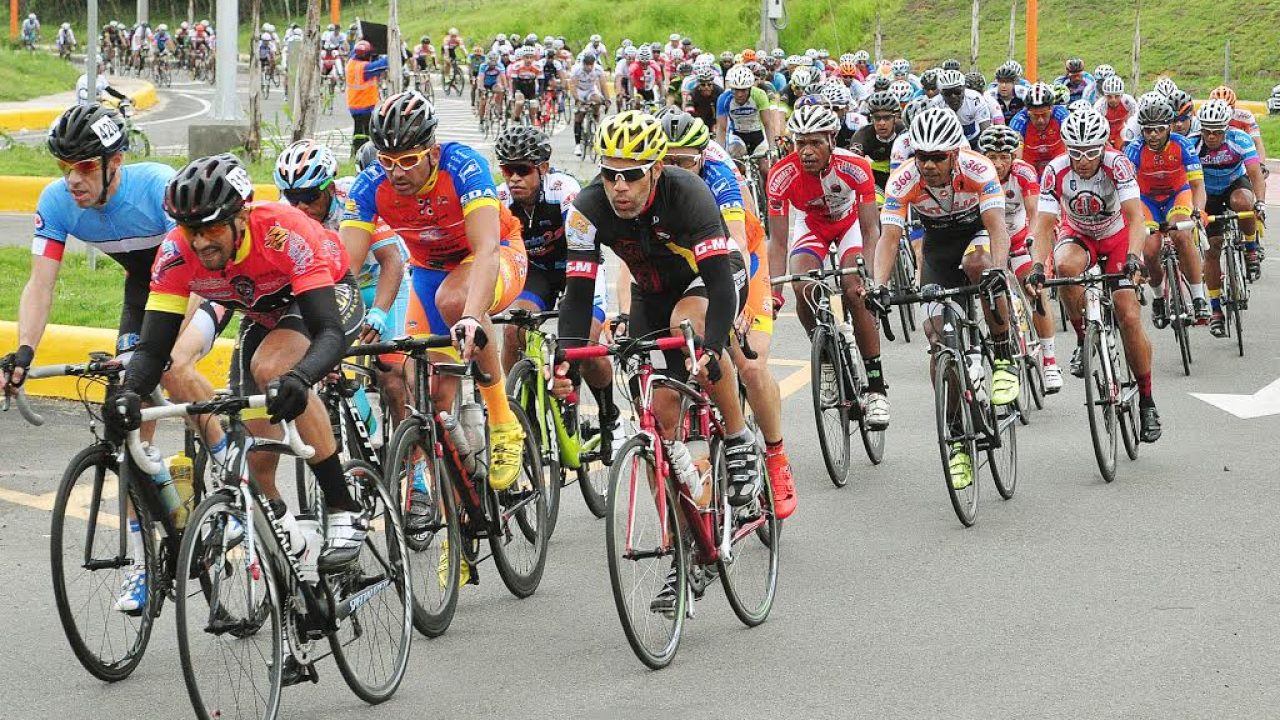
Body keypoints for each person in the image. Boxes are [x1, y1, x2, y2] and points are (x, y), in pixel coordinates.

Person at [103, 154, 370, 611]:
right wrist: (129, 394)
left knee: (274, 370)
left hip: (324, 299)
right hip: (264, 314)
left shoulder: (284, 231)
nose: (200, 242)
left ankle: (344, 507)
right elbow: (153, 350)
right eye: (191, 230)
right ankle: (294, 551)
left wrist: (302, 377)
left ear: (241, 218)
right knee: (257, 458)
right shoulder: (176, 253)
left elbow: (325, 331)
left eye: (211, 229)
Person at [1, 106, 229, 612]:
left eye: (85, 167)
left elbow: (191, 271)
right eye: (66, 167)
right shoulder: (58, 202)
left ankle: (227, 459)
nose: (73, 179)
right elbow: (41, 283)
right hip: (144, 291)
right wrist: (23, 351)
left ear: (115, 162)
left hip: (204, 283)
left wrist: (158, 346)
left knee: (169, 367)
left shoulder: (157, 188)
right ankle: (149, 552)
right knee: (124, 413)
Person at [557, 111, 758, 610]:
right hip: (651, 292)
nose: (618, 186)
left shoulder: (687, 193)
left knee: (688, 329)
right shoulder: (585, 210)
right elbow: (578, 295)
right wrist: (566, 358)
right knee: (660, 425)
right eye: (609, 174)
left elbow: (717, 281)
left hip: (710, 279)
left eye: (631, 174)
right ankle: (684, 550)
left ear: (656, 169)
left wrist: (713, 346)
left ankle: (737, 440)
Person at [341, 91, 529, 500]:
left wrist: (472, 315)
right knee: (427, 393)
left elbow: (486, 250)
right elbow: (344, 270)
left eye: (408, 160)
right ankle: (459, 514)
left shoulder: (462, 166)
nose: (397, 172)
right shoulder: (370, 184)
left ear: (431, 150)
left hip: (494, 257)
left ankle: (502, 419)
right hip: (429, 272)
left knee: (454, 301)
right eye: (388, 161)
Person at [654, 107, 797, 517]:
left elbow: (734, 246)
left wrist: (733, 304)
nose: (672, 170)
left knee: (749, 364)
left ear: (700, 157)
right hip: (688, 262)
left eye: (682, 162)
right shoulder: (648, 181)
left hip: (741, 261)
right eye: (665, 162)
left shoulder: (721, 177)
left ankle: (775, 455)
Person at [870, 108, 1017, 490]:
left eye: (938, 157)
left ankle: (1002, 356)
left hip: (976, 235)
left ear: (954, 153)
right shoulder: (904, 180)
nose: (930, 164)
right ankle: (956, 439)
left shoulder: (979, 169)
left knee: (981, 267)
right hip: (937, 247)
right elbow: (888, 237)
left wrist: (999, 270)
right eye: (923, 157)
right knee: (937, 338)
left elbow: (998, 226)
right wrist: (878, 285)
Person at [1026, 110, 1162, 442]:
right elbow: (1043, 225)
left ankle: (1146, 399)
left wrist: (1133, 258)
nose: (1083, 159)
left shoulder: (1118, 165)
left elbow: (1136, 218)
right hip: (1080, 234)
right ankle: (1083, 338)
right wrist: (1036, 266)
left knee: (1128, 314)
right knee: (1066, 268)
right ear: (1066, 147)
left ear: (1103, 146)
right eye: (1076, 152)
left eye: (1091, 152)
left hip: (1117, 237)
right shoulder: (1055, 171)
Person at [767, 105, 890, 428]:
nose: (806, 151)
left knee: (854, 289)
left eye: (816, 143)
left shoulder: (855, 167)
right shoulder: (781, 175)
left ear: (832, 140)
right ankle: (825, 361)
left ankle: (876, 387)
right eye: (800, 143)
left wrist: (870, 276)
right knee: (802, 286)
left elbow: (870, 231)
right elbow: (778, 243)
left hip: (850, 225)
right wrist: (773, 294)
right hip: (813, 227)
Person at [977, 124, 1063, 392]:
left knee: (1035, 289)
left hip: (1019, 239)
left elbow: (1035, 211)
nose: (999, 163)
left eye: (1005, 156)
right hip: (991, 243)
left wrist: (1033, 240)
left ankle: (1049, 361)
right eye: (993, 156)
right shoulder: (976, 176)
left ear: (1013, 157)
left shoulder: (1023, 172)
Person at [1124, 95, 1209, 326]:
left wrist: (1198, 211)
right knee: (1150, 250)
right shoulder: (1134, 150)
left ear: (1169, 127)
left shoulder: (1183, 145)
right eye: (1148, 130)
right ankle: (1159, 297)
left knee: (1181, 235)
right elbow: (1126, 190)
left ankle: (1199, 297)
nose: (1153, 135)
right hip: (1147, 200)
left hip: (1176, 195)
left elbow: (1197, 185)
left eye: (1158, 130)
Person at [1194, 100, 1266, 322]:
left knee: (1244, 202)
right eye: (1206, 131)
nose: (1211, 137)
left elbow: (1255, 173)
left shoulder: (1240, 139)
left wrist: (1260, 203)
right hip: (1208, 193)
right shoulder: (1193, 144)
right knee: (1212, 249)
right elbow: (1187, 183)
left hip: (1234, 183)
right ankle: (1215, 307)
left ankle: (1251, 246)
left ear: (1227, 128)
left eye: (1217, 132)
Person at [1009, 82, 1069, 175]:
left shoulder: (1061, 114)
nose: (1040, 120)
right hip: (1031, 169)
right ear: (1028, 112)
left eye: (1044, 114)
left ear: (1051, 109)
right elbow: (1017, 159)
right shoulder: (1019, 121)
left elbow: (1071, 143)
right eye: (1035, 115)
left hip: (1058, 165)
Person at [851, 90, 907, 189]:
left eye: (887, 118)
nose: (881, 123)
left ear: (896, 117)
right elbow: (853, 169)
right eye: (877, 118)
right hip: (875, 183)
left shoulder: (905, 131)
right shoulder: (862, 136)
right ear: (871, 118)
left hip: (903, 179)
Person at [345, 40, 388, 157]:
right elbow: (382, 65)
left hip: (354, 104)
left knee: (358, 131)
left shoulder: (351, 63)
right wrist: (390, 52)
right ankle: (363, 153)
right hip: (363, 105)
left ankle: (354, 153)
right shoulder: (363, 68)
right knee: (367, 133)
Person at [930, 69, 992, 147]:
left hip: (975, 140)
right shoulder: (935, 104)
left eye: (957, 91)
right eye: (948, 93)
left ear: (964, 89)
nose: (953, 97)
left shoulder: (975, 99)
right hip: (948, 143)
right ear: (941, 93)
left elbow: (986, 130)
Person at [568, 52, 608, 155]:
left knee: (597, 101)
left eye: (591, 64)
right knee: (579, 115)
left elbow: (603, 85)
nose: (589, 67)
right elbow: (573, 85)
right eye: (587, 64)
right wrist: (577, 100)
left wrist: (607, 99)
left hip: (591, 90)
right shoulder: (577, 69)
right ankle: (577, 145)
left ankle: (594, 122)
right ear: (583, 63)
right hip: (579, 90)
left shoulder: (598, 69)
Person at [1093, 75, 1136, 151]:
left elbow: (1135, 121)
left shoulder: (1129, 102)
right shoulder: (1099, 106)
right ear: (1104, 95)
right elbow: (1096, 129)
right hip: (1104, 133)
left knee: (1127, 149)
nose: (1113, 100)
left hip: (1121, 131)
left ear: (1122, 95)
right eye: (1109, 96)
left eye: (1117, 96)